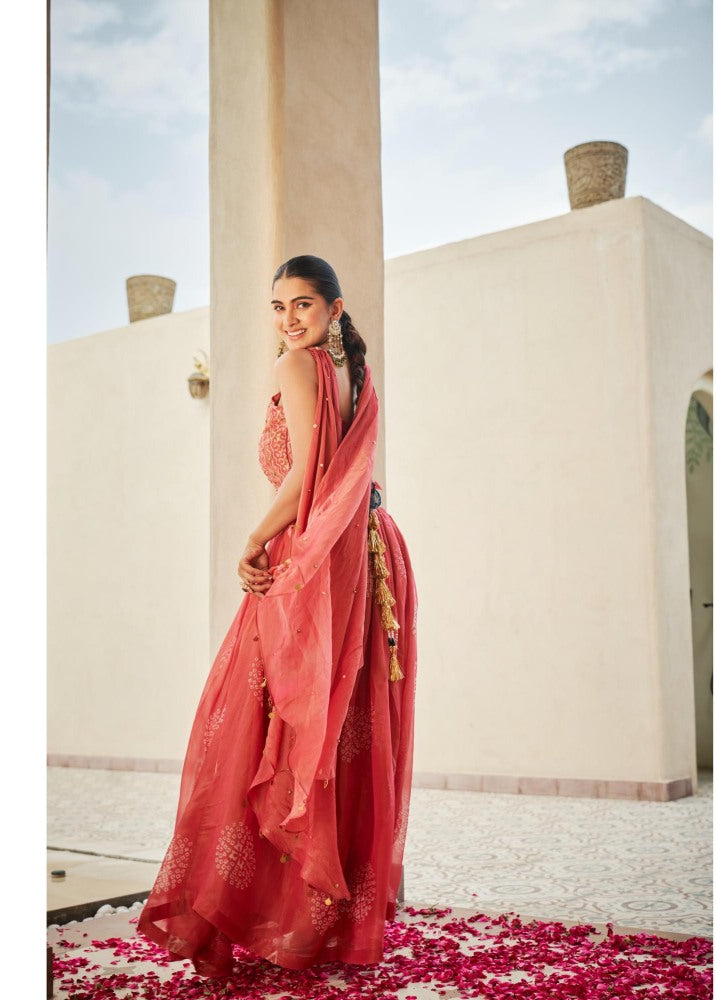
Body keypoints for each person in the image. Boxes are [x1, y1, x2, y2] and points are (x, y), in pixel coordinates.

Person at [137, 255, 418, 978]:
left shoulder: (297, 370)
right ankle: (317, 924)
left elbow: (305, 477)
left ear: (334, 307)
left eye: (302, 305)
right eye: (278, 306)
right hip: (369, 549)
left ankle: (249, 914)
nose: (289, 319)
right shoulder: (357, 377)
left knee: (257, 725)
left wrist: (255, 538)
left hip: (317, 556)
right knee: (336, 735)